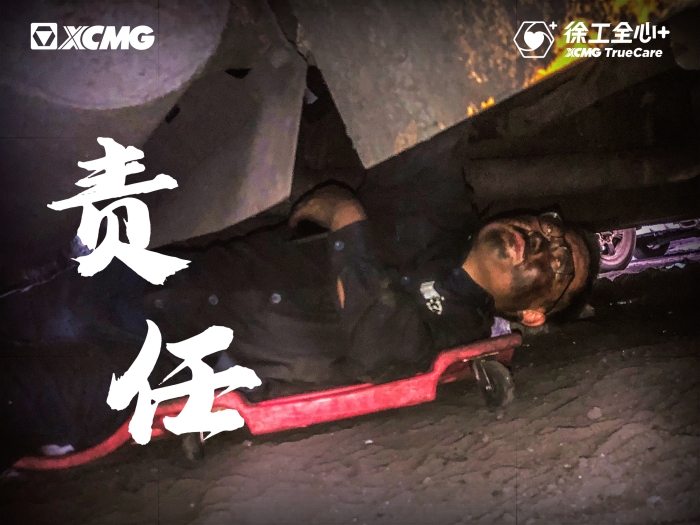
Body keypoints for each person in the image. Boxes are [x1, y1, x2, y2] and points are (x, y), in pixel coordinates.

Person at [0, 182, 600, 470]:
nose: (542, 239)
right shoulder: (428, 219)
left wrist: (347, 218)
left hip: (158, 372)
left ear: (534, 313)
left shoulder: (459, 334)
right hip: (146, 284)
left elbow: (384, 352)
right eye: (547, 225)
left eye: (560, 263)